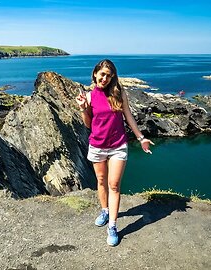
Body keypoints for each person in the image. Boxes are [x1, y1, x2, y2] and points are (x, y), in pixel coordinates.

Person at [75, 59, 154, 246]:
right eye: (102, 74)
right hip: (97, 145)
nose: (105, 78)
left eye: (109, 76)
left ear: (112, 78)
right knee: (101, 181)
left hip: (118, 145)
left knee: (114, 184)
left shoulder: (119, 93)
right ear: (95, 74)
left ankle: (112, 225)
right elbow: (88, 124)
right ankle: (105, 210)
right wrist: (83, 109)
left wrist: (141, 138)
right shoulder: (88, 96)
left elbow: (129, 117)